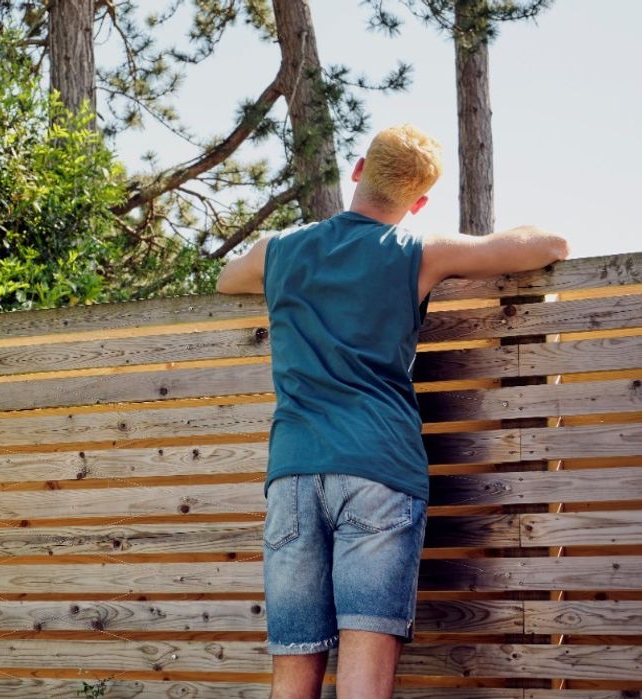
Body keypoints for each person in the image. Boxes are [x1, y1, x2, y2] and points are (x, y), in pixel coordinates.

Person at [215, 124, 569, 699]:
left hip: (293, 477)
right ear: (419, 201)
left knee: (291, 680)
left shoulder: (280, 250)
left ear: (357, 170)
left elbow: (228, 278)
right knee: (365, 684)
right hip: (380, 472)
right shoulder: (418, 252)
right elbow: (547, 244)